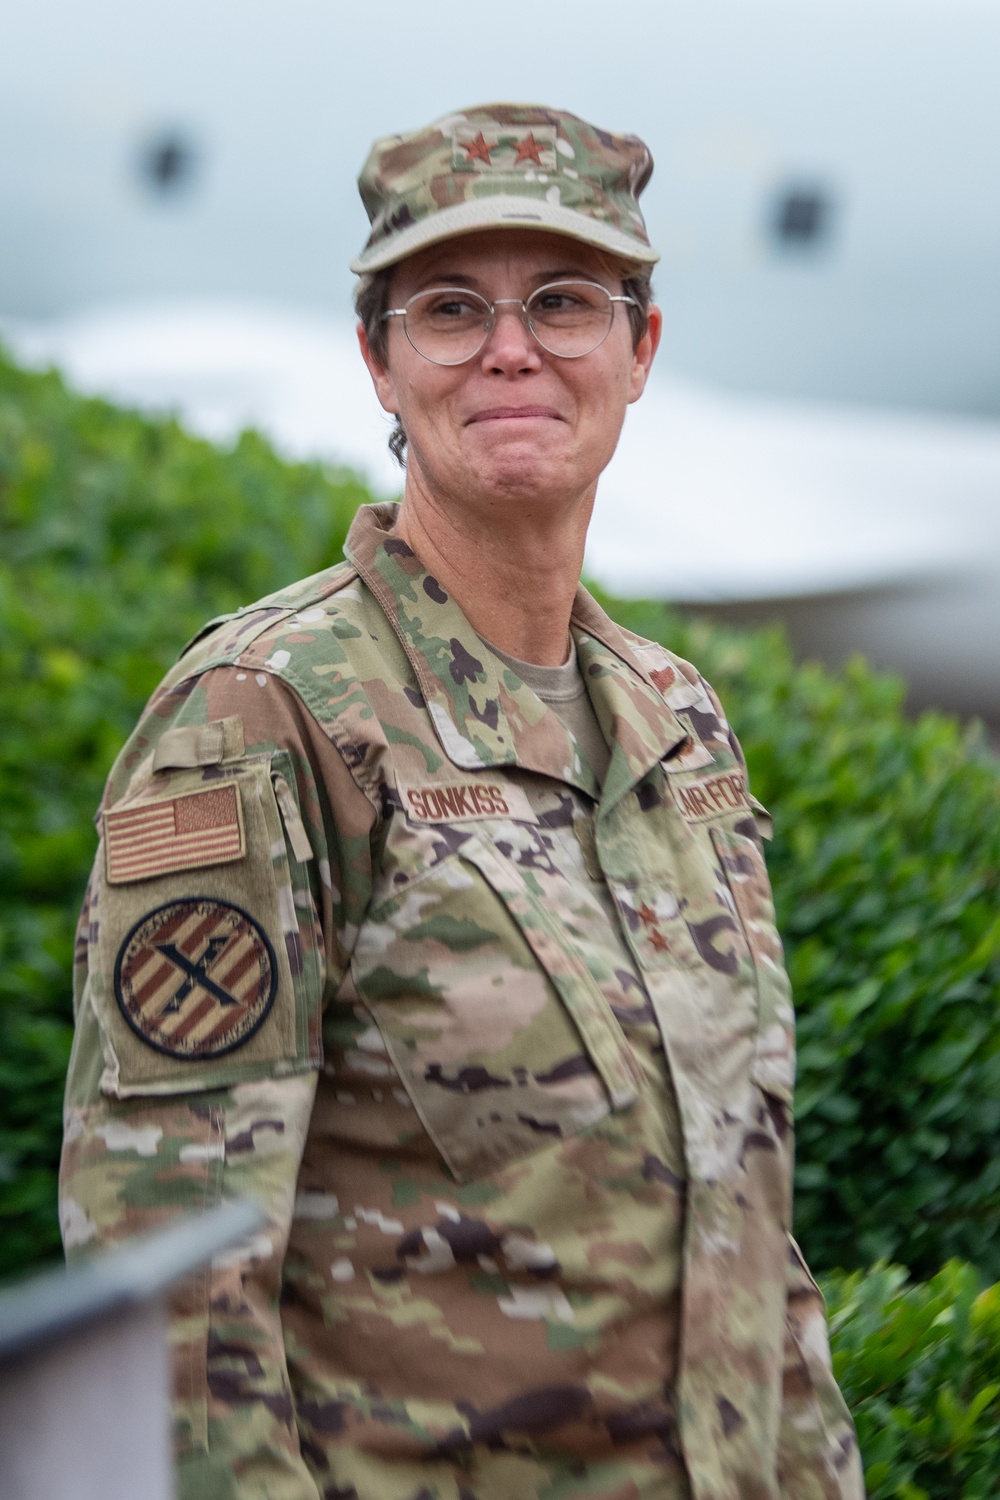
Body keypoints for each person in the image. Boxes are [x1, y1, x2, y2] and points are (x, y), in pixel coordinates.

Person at [59, 103, 863, 1500]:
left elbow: (746, 1222)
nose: (511, 348)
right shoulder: (265, 717)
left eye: (564, 301)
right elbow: (169, 1275)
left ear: (641, 349)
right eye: (448, 308)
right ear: (378, 361)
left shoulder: (676, 721)